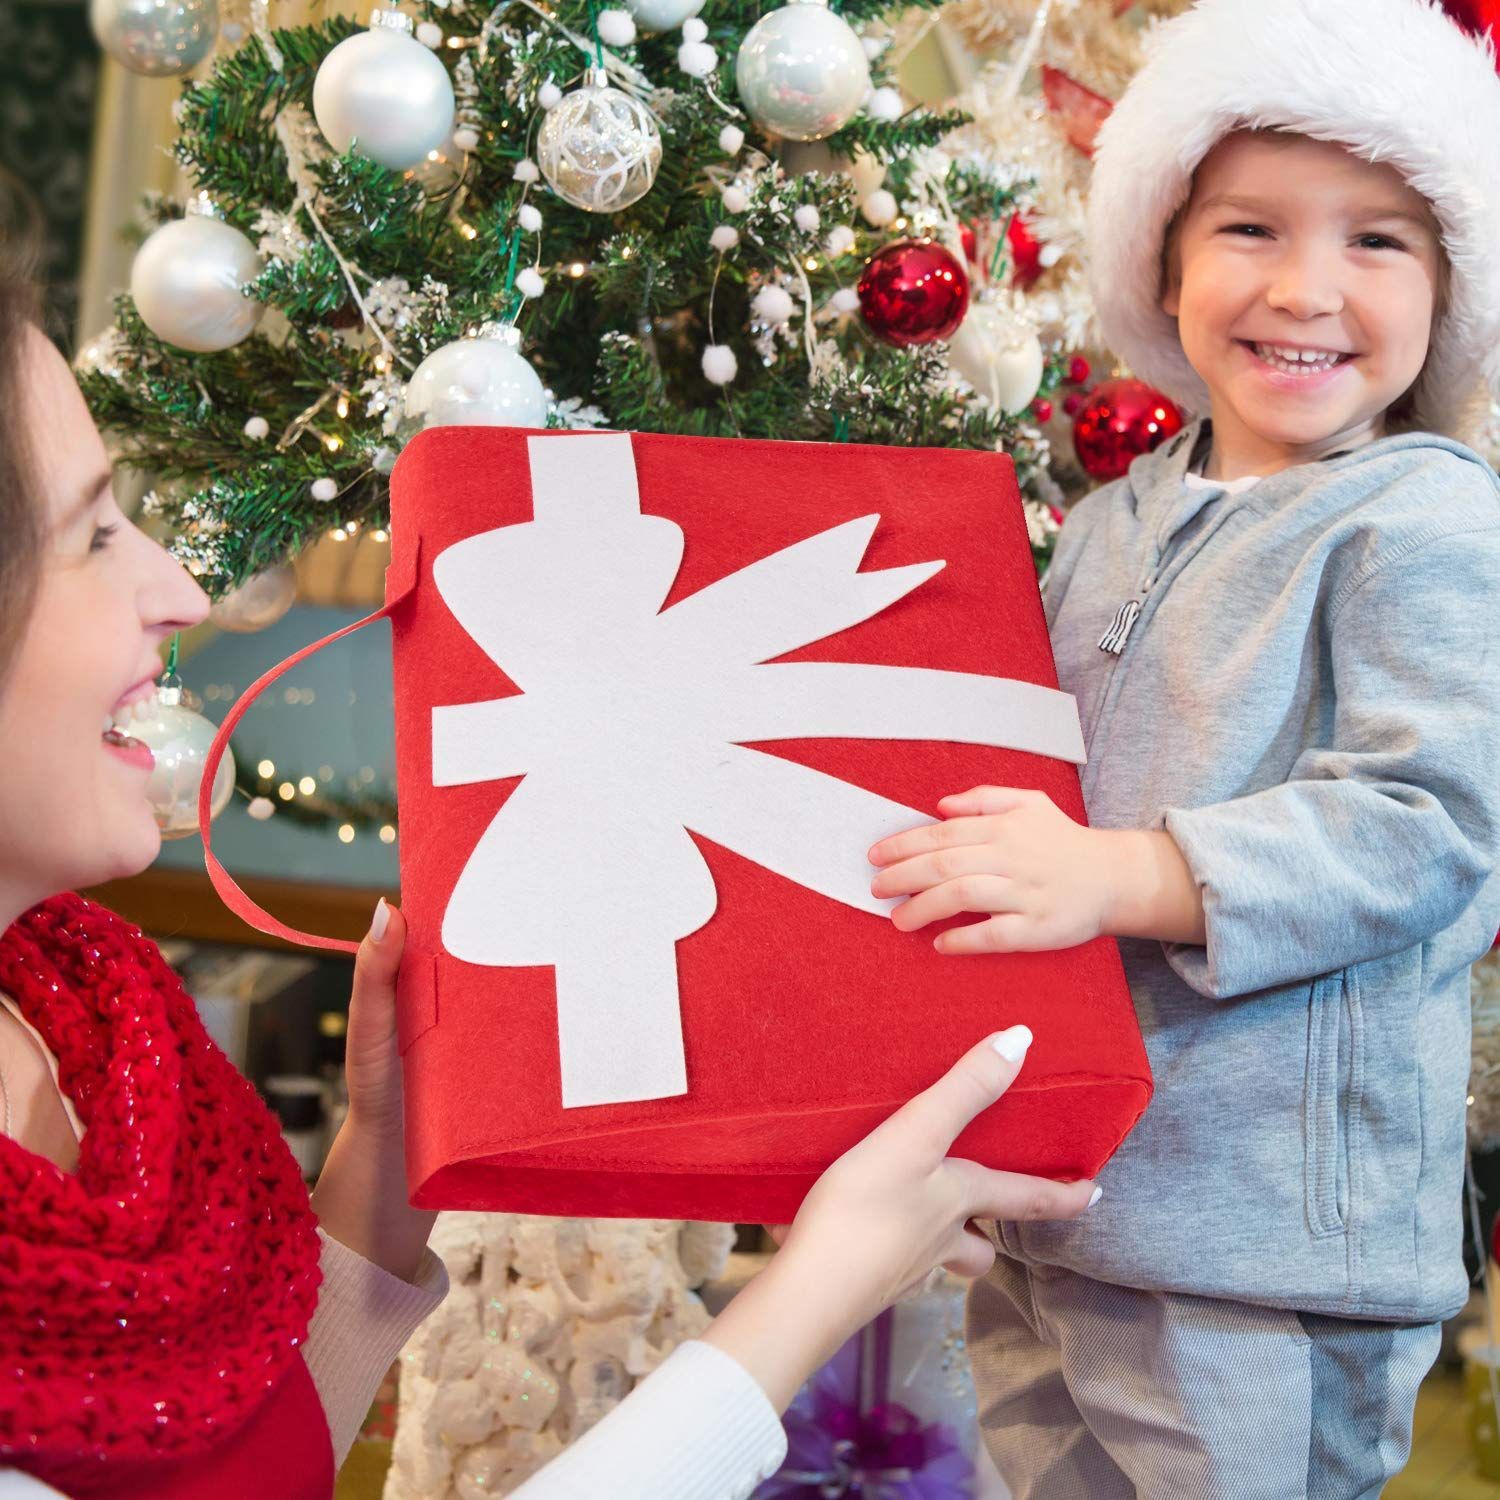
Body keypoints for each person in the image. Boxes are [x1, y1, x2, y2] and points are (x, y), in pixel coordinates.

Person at [0, 216, 1099, 1498]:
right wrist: (824, 1280)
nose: (180, 591)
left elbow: (243, 1453)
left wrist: (388, 1148)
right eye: (89, 538)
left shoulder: (86, 1012)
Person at [867, 0, 1500, 1493]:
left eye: (1377, 242)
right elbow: (1016, 833)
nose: (1307, 288)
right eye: (1250, 229)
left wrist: (1129, 874)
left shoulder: (1427, 518)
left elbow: (1432, 822)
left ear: (1452, 281)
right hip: (1064, 1202)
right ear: (1162, 254)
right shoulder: (1105, 523)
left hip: (1269, 1246)